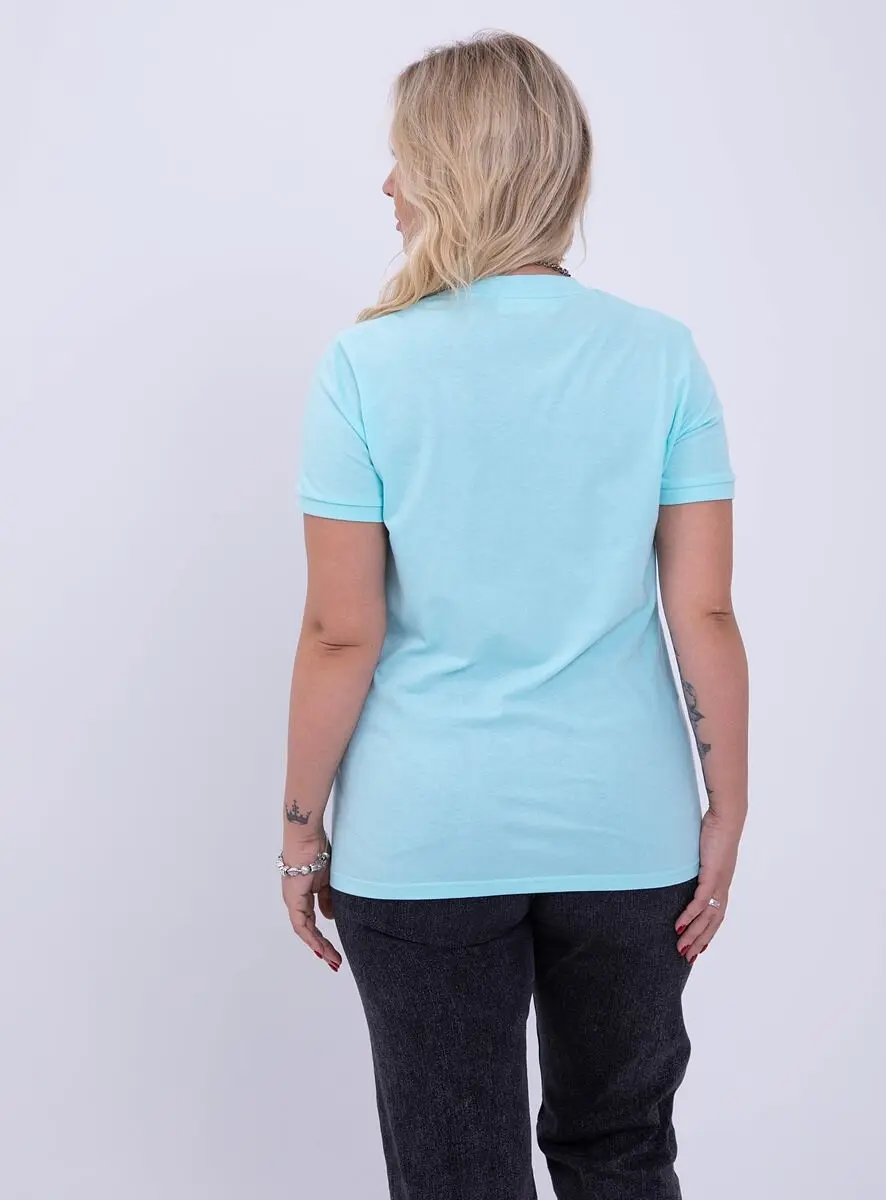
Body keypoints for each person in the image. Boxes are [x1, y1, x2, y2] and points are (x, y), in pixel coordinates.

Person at [278, 29, 749, 1200]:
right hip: (627, 830)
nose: (387, 185)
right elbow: (703, 608)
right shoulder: (661, 357)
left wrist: (299, 834)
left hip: (425, 835)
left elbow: (341, 632)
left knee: (457, 1177)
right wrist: (727, 808)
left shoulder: (365, 367)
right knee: (620, 1151)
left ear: (453, 169)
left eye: (403, 156)